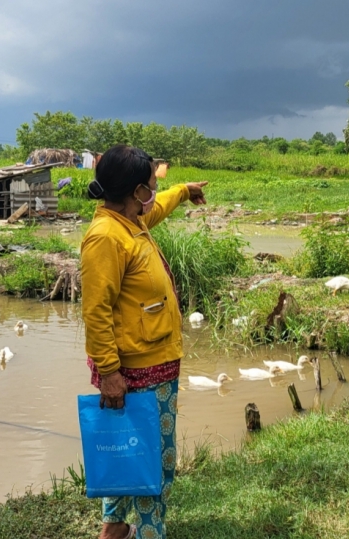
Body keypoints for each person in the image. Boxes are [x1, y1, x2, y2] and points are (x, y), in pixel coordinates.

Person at [80, 144, 207, 539]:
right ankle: (149, 533)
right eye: (152, 184)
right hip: (136, 370)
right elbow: (95, 311)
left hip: (152, 361)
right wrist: (110, 372)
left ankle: (114, 530)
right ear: (136, 191)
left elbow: (158, 208)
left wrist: (183, 190)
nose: (155, 190)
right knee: (152, 461)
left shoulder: (130, 220)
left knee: (125, 450)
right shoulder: (106, 237)